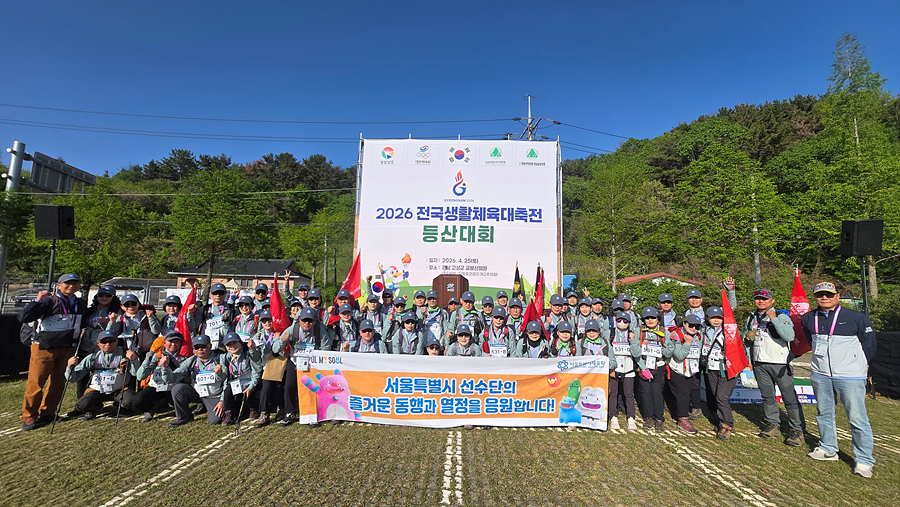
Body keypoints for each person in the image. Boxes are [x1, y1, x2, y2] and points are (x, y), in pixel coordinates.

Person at [801, 282, 877, 478]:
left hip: (850, 375)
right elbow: (811, 341)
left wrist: (858, 364)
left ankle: (864, 460)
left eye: (829, 294)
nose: (824, 298)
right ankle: (828, 448)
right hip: (821, 374)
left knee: (857, 417)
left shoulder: (856, 318)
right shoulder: (808, 318)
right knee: (824, 413)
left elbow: (869, 345)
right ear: (815, 297)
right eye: (820, 295)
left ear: (837, 295)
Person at [18, 274, 87, 431]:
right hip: (44, 347)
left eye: (75, 283)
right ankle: (29, 415)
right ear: (58, 285)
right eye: (67, 283)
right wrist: (37, 301)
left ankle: (48, 412)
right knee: (36, 382)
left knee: (59, 381)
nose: (71, 286)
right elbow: (23, 317)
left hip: (68, 347)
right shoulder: (48, 301)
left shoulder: (80, 303)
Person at [743, 288, 804, 446]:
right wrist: (749, 359)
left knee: (789, 398)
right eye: (758, 298)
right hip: (760, 363)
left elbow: (789, 336)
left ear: (772, 301)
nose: (761, 301)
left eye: (765, 299)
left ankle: (797, 430)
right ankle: (773, 425)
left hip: (780, 363)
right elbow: (747, 340)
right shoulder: (752, 318)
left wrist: (774, 319)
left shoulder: (781, 316)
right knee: (767, 396)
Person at [275, 307, 333, 427]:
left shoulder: (320, 331)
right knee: (289, 386)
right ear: (299, 320)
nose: (307, 323)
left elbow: (326, 348)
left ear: (315, 321)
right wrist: (282, 341)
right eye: (304, 320)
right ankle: (290, 413)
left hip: (312, 363)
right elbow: (275, 349)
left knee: (313, 387)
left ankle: (314, 413)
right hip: (295, 361)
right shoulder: (292, 329)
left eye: (310, 321)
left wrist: (316, 357)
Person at [63, 330, 139, 420]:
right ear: (98, 343)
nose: (108, 344)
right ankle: (94, 407)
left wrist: (134, 360)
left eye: (111, 341)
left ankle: (120, 405)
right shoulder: (92, 357)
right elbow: (72, 379)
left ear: (117, 341)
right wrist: (69, 367)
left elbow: (136, 373)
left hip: (120, 390)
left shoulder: (126, 354)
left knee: (132, 401)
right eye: (104, 341)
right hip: (98, 390)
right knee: (82, 405)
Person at [163, 335, 226, 427]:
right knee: (178, 388)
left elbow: (227, 381)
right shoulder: (191, 361)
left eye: (203, 346)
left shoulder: (220, 359)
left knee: (216, 420)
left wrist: (223, 400)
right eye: (196, 347)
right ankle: (184, 417)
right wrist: (165, 368)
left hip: (215, 396)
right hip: (198, 393)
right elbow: (171, 379)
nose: (200, 349)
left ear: (210, 346)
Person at [700, 307, 740, 440]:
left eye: (719, 317)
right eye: (713, 317)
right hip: (711, 367)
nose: (716, 320)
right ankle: (720, 419)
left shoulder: (729, 330)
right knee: (715, 395)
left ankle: (727, 425)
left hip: (726, 368)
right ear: (707, 318)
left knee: (721, 397)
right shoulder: (704, 330)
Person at [132, 330, 188, 422]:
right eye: (171, 341)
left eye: (177, 341)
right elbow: (140, 376)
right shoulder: (156, 356)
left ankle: (166, 403)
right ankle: (151, 408)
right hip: (156, 387)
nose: (174, 344)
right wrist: (147, 359)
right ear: (164, 343)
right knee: (136, 401)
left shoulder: (183, 358)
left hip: (173, 389)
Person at [77, 286, 120, 398]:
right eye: (101, 295)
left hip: (103, 347)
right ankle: (81, 399)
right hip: (86, 345)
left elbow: (115, 330)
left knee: (99, 374)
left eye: (108, 295)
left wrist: (109, 321)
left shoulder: (117, 311)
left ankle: (98, 398)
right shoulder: (90, 310)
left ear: (113, 297)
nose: (104, 298)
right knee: (83, 374)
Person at [664, 314, 702, 434]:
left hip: (690, 370)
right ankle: (683, 419)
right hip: (677, 369)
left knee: (685, 393)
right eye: (691, 325)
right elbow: (679, 355)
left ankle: (677, 412)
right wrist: (687, 344)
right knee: (683, 395)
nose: (694, 328)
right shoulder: (676, 334)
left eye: (697, 326)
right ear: (684, 323)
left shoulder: (697, 336)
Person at [220, 332, 263, 425]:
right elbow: (225, 378)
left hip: (251, 381)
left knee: (247, 391)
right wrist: (218, 374)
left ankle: (253, 409)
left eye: (234, 343)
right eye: (229, 345)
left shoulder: (249, 353)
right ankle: (229, 414)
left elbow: (257, 372)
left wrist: (251, 387)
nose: (232, 346)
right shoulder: (225, 357)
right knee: (228, 390)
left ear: (240, 342)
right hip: (236, 383)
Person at [636, 307, 667, 432]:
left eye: (653, 318)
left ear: (658, 319)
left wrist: (663, 350)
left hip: (658, 365)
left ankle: (659, 418)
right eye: (647, 318)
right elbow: (635, 349)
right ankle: (648, 417)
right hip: (644, 366)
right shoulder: (640, 332)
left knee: (657, 392)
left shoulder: (664, 332)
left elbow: (669, 350)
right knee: (645, 392)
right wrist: (642, 367)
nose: (650, 320)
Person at [608, 312, 640, 430]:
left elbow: (637, 353)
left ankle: (631, 417)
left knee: (629, 394)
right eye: (619, 320)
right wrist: (611, 368)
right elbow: (608, 351)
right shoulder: (610, 333)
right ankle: (613, 416)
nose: (622, 323)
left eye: (625, 321)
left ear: (629, 323)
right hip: (615, 368)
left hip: (628, 368)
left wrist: (633, 341)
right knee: (613, 393)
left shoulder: (632, 335)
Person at [683, 288, 706, 420]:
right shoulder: (684, 314)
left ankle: (714, 409)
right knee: (693, 380)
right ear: (687, 300)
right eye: (691, 298)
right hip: (691, 351)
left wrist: (731, 292)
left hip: (706, 351)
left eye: (696, 298)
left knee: (709, 382)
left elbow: (730, 308)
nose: (694, 300)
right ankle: (696, 407)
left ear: (701, 299)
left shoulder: (708, 313)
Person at [201, 283, 234, 350]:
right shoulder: (205, 309)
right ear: (211, 294)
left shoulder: (231, 309)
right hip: (208, 344)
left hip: (225, 344)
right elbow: (194, 325)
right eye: (215, 293)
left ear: (225, 294)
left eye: (221, 293)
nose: (218, 295)